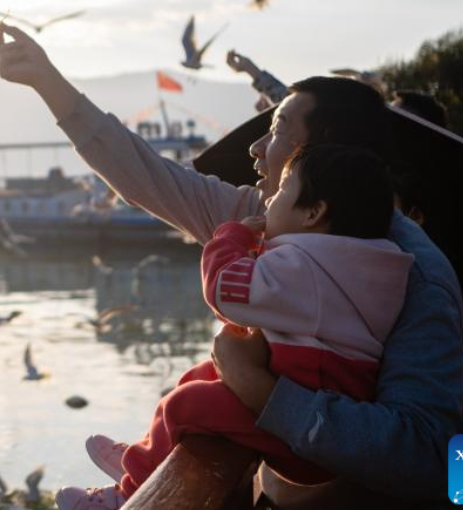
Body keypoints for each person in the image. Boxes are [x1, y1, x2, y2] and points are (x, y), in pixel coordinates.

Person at [0, 23, 463, 505]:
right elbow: (147, 178)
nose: (256, 148)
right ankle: (141, 462)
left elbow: (429, 455)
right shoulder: (262, 216)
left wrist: (256, 387)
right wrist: (47, 81)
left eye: (276, 132)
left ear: (322, 157)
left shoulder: (416, 275)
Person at [56, 144, 413, 510]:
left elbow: (224, 289)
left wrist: (231, 238)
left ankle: (130, 489)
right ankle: (149, 454)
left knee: (186, 402)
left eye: (284, 188)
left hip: (304, 438)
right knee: (199, 375)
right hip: (316, 420)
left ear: (313, 213)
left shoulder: (305, 267)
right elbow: (255, 315)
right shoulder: (358, 267)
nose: (270, 198)